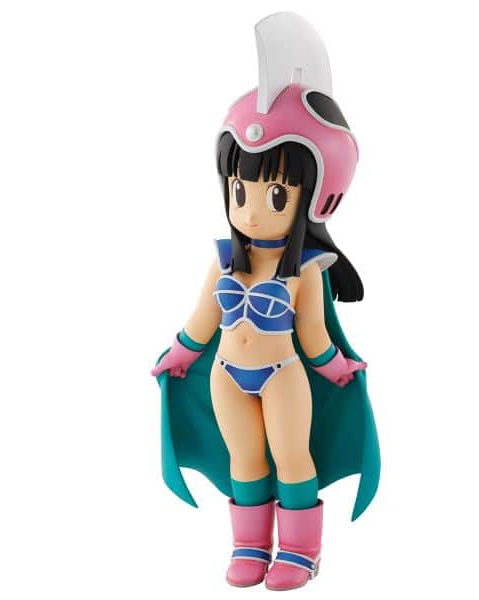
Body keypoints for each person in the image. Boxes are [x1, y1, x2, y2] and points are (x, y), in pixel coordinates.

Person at [151, 12, 380, 591]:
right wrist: (178, 353)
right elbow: (202, 322)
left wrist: (337, 369)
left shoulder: (305, 272)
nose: (250, 209)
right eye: (239, 188)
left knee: (292, 454)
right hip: (225, 375)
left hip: (282, 375)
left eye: (275, 193)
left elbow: (314, 338)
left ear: (315, 197)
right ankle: (249, 544)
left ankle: (301, 550)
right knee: (244, 458)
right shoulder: (223, 260)